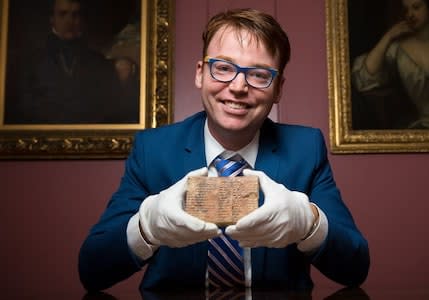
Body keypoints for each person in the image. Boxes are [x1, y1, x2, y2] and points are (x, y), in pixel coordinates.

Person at [78, 8, 369, 294]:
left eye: (258, 74)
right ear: (201, 74)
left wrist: (309, 223)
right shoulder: (153, 150)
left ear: (278, 88)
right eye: (224, 68)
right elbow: (92, 270)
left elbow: (355, 268)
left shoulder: (305, 150)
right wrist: (145, 228)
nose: (239, 86)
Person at [351, 0, 429, 129]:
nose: (410, 14)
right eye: (406, 10)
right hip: (408, 135)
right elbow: (365, 78)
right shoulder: (397, 49)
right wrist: (388, 37)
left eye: (416, 7)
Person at [4, 0, 124, 124]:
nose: (69, 21)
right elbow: (25, 106)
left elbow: (108, 108)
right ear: (52, 18)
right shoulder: (31, 61)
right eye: (63, 14)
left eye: (75, 15)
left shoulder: (99, 62)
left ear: (82, 19)